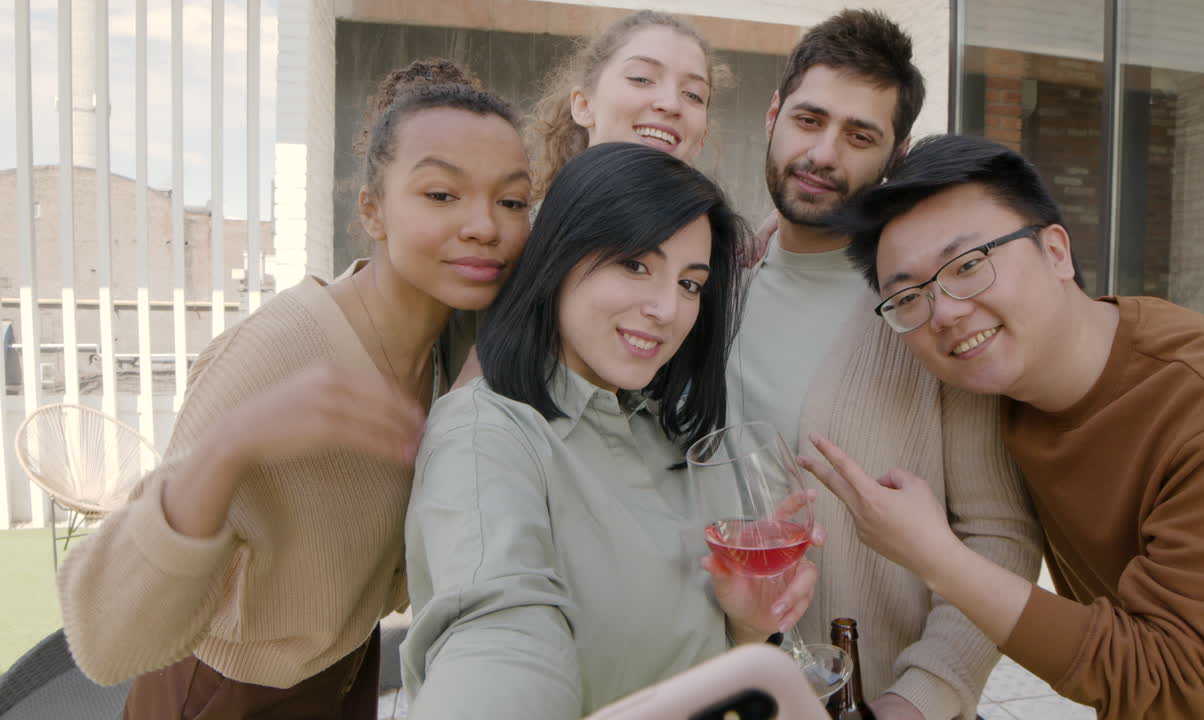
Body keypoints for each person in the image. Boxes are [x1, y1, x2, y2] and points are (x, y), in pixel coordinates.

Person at [56, 60, 532, 718]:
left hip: (344, 671)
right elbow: (106, 645)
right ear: (373, 210)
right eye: (441, 195)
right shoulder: (278, 352)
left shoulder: (457, 345)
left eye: (511, 200)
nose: (486, 225)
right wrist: (233, 443)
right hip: (222, 694)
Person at [808, 133, 1204, 720]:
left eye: (969, 264)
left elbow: (1177, 682)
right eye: (908, 297)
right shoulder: (1002, 393)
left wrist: (935, 556)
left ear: (1056, 251)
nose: (947, 311)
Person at [400, 142, 819, 719]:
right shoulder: (485, 437)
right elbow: (496, 633)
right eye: (635, 264)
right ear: (560, 255)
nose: (667, 309)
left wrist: (747, 624)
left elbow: (683, 671)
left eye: (690, 284)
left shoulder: (662, 430)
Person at [726, 10, 1042, 720]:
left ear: (894, 155)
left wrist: (917, 699)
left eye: (859, 135)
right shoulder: (708, 291)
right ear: (775, 115)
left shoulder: (928, 312)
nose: (823, 154)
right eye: (809, 119)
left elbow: (1000, 534)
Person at [529, 9, 719, 197]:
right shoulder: (532, 225)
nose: (671, 104)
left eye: (693, 95)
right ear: (584, 105)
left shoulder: (714, 225)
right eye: (641, 78)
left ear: (701, 138)